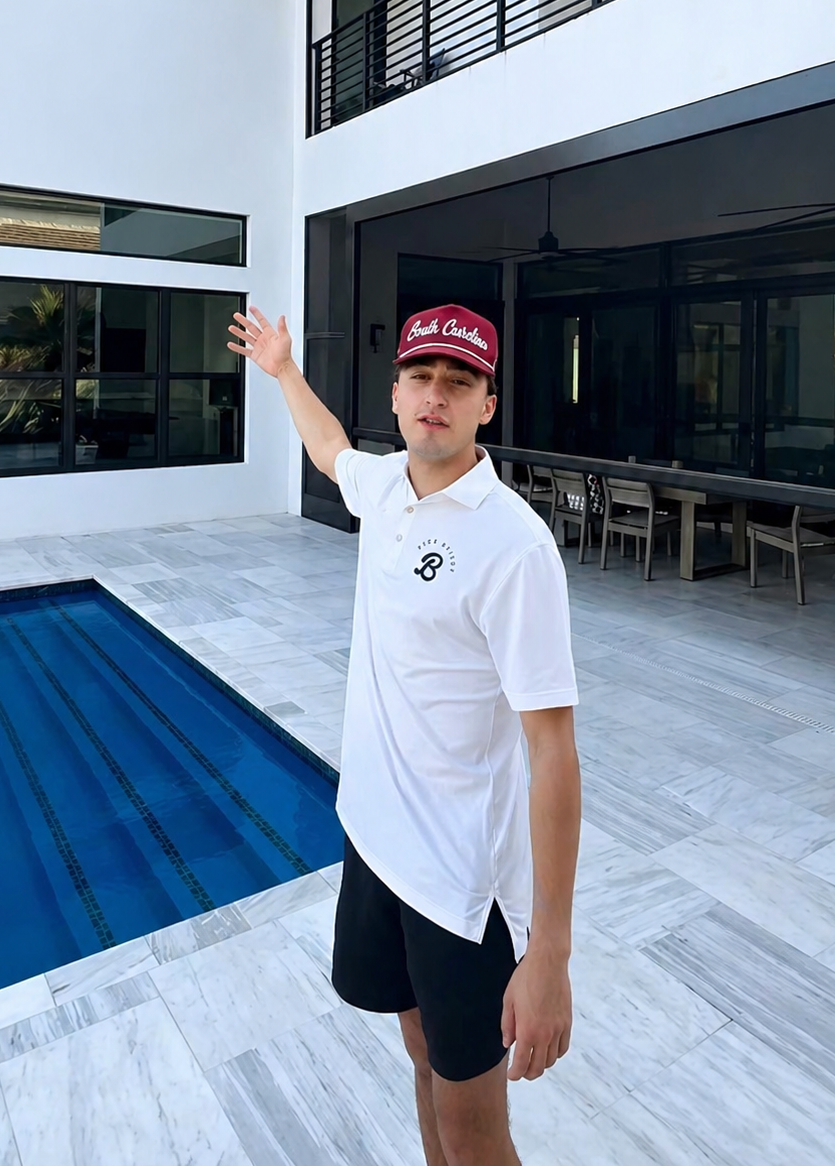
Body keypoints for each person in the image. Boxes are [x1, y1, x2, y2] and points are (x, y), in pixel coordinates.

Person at [228, 301, 580, 1166]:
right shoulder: (382, 487)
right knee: (419, 1057)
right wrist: (280, 369)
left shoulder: (514, 546)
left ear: (485, 406)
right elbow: (327, 448)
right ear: (394, 393)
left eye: (458, 382)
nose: (436, 395)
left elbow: (554, 753)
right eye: (421, 376)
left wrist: (550, 955)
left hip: (461, 888)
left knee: (474, 1127)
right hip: (376, 844)